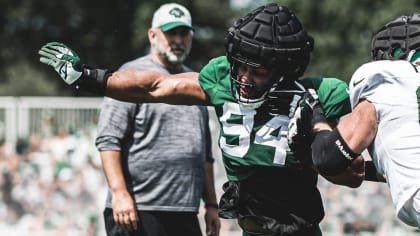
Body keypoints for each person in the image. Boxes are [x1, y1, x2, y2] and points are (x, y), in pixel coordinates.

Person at [38, 3, 365, 235]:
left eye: (258, 71)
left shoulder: (321, 94)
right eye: (241, 67)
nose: (245, 79)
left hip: (298, 230)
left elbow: (353, 175)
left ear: (285, 71)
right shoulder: (221, 79)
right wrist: (90, 78)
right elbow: (155, 86)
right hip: (249, 229)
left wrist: (320, 133)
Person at [96, 3, 220, 236]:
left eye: (184, 33)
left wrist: (211, 205)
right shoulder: (131, 75)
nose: (178, 40)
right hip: (137, 210)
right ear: (153, 35)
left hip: (184, 212)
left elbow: (205, 156)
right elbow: (108, 140)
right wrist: (119, 193)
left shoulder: (196, 82)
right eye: (171, 33)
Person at [305, 14, 420, 228]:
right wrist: (363, 170)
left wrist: (317, 120)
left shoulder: (389, 77)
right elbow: (406, 165)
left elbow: (327, 158)